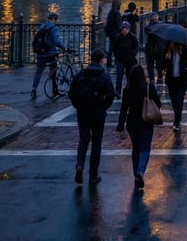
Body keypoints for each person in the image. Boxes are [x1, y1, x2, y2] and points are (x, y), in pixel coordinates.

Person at [68, 49, 115, 186]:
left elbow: (71, 93)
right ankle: (93, 174)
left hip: (82, 112)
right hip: (98, 113)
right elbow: (110, 94)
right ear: (101, 60)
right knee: (96, 142)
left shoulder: (81, 74)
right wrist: (103, 107)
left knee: (83, 140)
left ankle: (80, 164)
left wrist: (78, 106)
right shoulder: (104, 75)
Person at [116, 64, 162, 189]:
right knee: (146, 148)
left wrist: (121, 123)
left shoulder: (127, 90)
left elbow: (124, 108)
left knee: (135, 149)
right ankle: (140, 171)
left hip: (132, 123)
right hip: (146, 122)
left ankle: (135, 171)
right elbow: (159, 103)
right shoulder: (148, 87)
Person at [31, 12, 67, 99]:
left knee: (39, 71)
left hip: (40, 53)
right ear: (54, 19)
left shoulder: (42, 26)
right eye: (56, 20)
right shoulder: (54, 28)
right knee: (54, 71)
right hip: (50, 53)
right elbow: (56, 41)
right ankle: (55, 90)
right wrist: (64, 48)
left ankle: (34, 89)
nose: (57, 21)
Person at [163, 40, 187, 131]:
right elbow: (162, 65)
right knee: (174, 101)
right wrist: (166, 58)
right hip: (171, 80)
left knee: (179, 100)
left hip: (182, 80)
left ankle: (177, 121)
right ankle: (177, 116)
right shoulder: (168, 51)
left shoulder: (184, 51)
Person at [112, 20, 140, 94]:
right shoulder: (118, 37)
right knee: (119, 75)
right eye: (123, 29)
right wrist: (117, 55)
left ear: (128, 29)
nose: (124, 30)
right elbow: (114, 48)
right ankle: (118, 91)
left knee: (129, 76)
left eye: (126, 29)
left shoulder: (132, 37)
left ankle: (129, 90)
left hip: (129, 60)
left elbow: (137, 47)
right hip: (120, 59)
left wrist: (132, 54)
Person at [144, 12, 165, 84]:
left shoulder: (161, 25)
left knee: (159, 66)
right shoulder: (149, 26)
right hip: (151, 49)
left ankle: (159, 78)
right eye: (153, 19)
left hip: (158, 49)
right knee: (150, 66)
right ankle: (152, 79)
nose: (154, 20)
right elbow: (146, 30)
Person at [104, 0, 122, 67]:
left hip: (110, 33)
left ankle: (110, 62)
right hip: (115, 33)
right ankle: (116, 62)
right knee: (116, 48)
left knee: (111, 49)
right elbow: (118, 24)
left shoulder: (111, 12)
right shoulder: (117, 13)